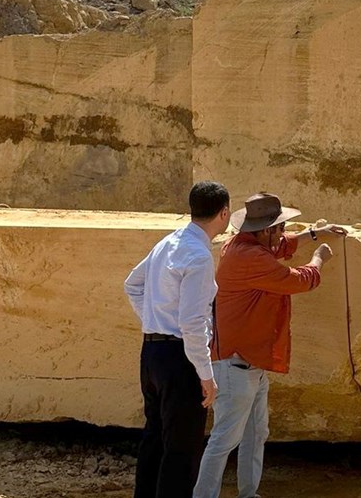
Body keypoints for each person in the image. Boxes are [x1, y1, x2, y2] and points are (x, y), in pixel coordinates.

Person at [193, 192, 345, 498]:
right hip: (236, 365)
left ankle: (248, 494)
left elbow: (282, 244)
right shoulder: (250, 257)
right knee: (224, 440)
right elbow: (298, 280)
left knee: (255, 433)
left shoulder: (245, 245)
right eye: (277, 227)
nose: (281, 232)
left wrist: (314, 233)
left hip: (250, 363)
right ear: (263, 231)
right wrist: (318, 258)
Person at [124, 181, 231, 498]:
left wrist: (154, 321)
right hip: (181, 360)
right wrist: (206, 374)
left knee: (154, 440)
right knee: (182, 452)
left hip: (152, 354)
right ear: (223, 214)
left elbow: (133, 285)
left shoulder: (167, 242)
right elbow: (192, 322)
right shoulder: (199, 256)